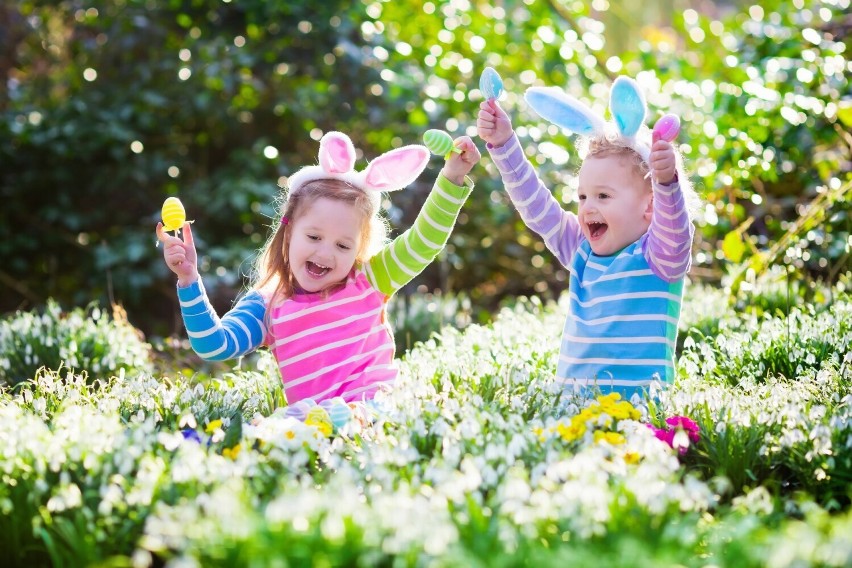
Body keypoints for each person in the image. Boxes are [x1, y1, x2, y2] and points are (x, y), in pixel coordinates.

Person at [157, 131, 479, 409]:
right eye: (313, 237)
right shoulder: (268, 305)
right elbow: (214, 345)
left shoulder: (369, 280)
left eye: (343, 245)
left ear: (359, 248)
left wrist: (451, 178)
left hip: (377, 405)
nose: (325, 253)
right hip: (316, 423)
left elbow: (425, 242)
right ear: (288, 231)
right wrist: (189, 280)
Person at [477, 75, 698, 401]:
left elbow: (676, 228)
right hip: (573, 409)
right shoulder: (581, 249)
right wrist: (505, 144)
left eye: (603, 196)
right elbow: (537, 207)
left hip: (638, 414)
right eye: (582, 197)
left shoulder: (659, 258)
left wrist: (666, 184)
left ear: (649, 206)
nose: (587, 208)